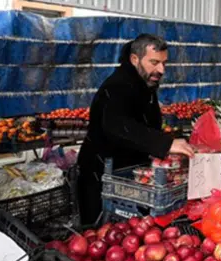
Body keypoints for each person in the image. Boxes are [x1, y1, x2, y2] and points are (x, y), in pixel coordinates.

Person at [77, 34, 195, 224]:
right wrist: (165, 143)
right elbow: (117, 125)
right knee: (99, 232)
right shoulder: (119, 85)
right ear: (134, 59)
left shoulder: (144, 84)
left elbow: (143, 124)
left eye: (164, 63)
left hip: (127, 173)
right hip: (101, 175)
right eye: (154, 62)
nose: (161, 69)